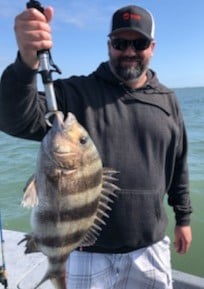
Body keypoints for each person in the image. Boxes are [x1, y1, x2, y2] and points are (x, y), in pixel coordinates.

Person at [0, 4, 192, 289]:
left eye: (138, 43)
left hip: (149, 247)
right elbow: (14, 117)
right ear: (108, 45)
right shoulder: (74, 93)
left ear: (152, 47)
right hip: (86, 251)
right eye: (119, 43)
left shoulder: (167, 100)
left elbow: (178, 162)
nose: (128, 51)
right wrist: (26, 63)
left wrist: (183, 218)